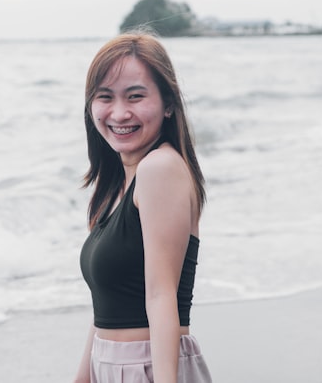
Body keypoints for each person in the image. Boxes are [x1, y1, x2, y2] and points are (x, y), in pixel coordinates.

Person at [75, 32, 212, 383]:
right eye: (105, 97)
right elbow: (105, 309)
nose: (120, 113)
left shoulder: (160, 168)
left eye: (135, 96)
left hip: (148, 367)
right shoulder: (115, 187)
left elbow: (161, 296)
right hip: (112, 367)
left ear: (168, 104)